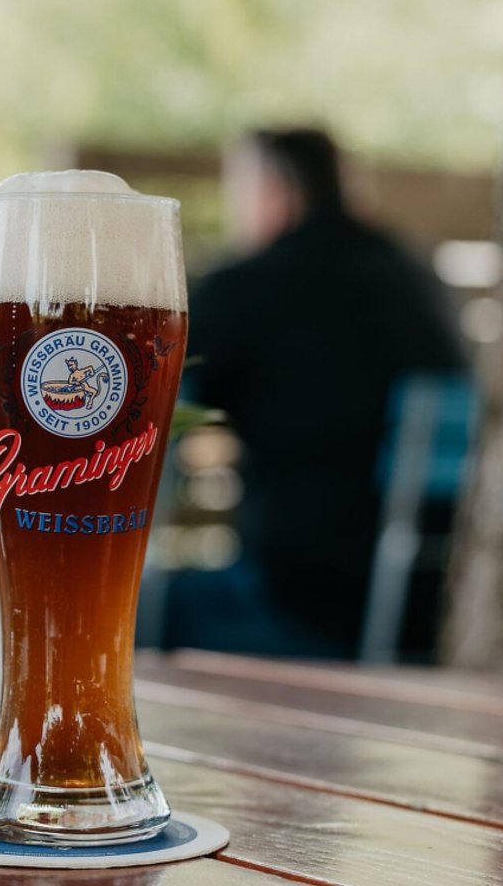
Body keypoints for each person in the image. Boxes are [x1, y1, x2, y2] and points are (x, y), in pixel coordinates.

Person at [164, 127, 469, 659]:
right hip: (428, 613)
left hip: (301, 610)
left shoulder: (249, 286)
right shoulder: (416, 278)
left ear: (275, 192)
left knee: (143, 611)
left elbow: (161, 400)